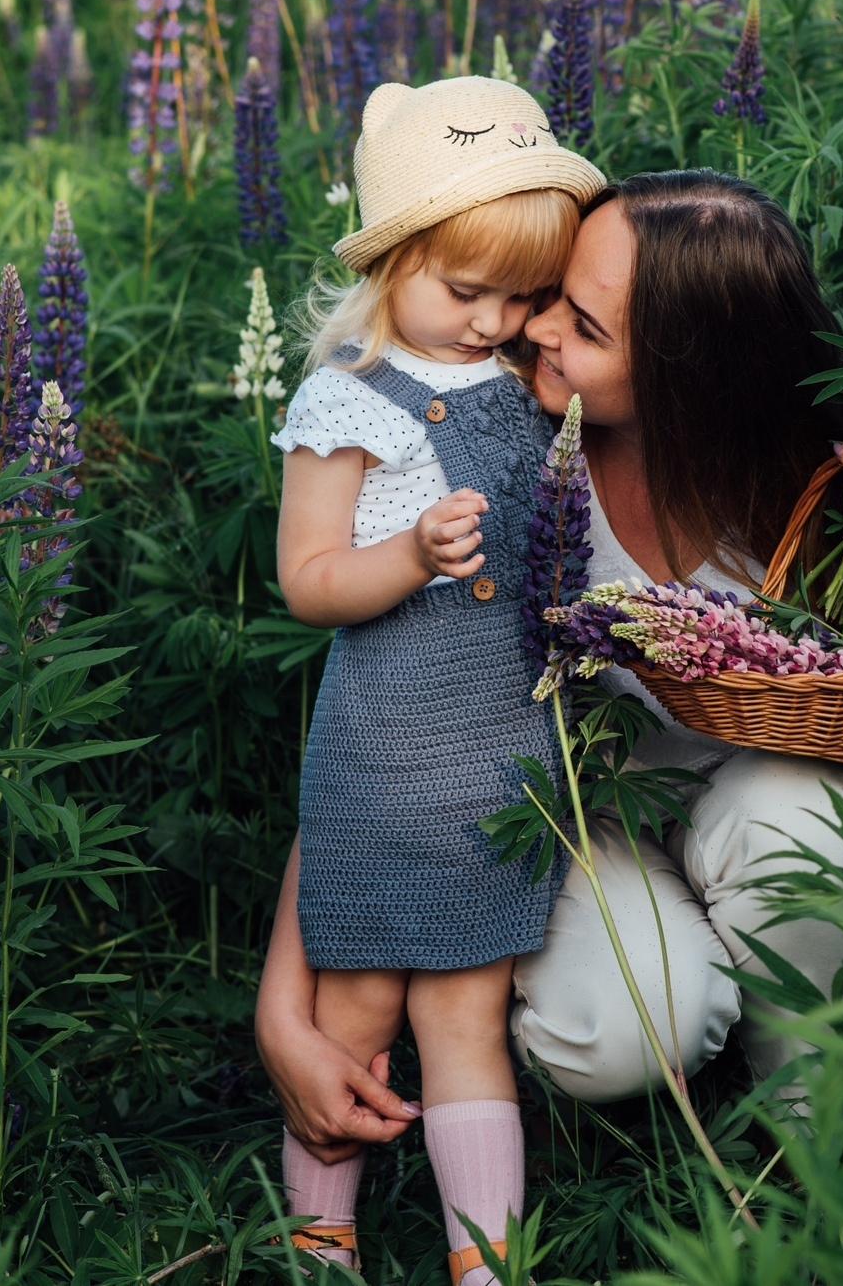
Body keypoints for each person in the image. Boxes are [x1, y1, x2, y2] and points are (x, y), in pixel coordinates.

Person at [258, 170, 843, 1159]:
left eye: (583, 326)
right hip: (580, 815)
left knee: (813, 817)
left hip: (759, 802)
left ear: (692, 373)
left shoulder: (806, 483)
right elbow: (391, 721)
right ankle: (698, 1005)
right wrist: (284, 1007)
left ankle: (815, 1128)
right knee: (615, 1034)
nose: (534, 328)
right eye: (549, 293)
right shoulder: (504, 444)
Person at [268, 75, 604, 1284]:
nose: (489, 321)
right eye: (464, 290)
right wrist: (404, 555)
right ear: (392, 258)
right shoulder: (345, 399)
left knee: (465, 1017)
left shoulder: (522, 384)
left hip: (497, 756)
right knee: (352, 1007)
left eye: (517, 298)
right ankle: (320, 1243)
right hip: (379, 750)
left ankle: (485, 1264)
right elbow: (305, 577)